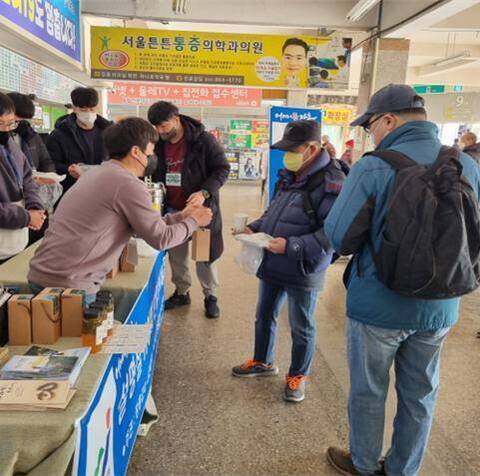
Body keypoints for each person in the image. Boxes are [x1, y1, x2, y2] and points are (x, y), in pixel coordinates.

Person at [324, 84, 480, 476]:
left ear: (389, 120)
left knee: (369, 390)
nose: (369, 133)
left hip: (378, 307)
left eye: (370, 125)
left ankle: (362, 463)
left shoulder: (374, 165)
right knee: (420, 394)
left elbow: (340, 236)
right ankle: (402, 469)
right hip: (441, 305)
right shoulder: (469, 166)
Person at [28, 117, 212, 302]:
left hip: (45, 274)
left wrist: (182, 216)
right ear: (135, 152)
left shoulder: (96, 173)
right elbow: (161, 239)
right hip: (69, 287)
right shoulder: (127, 184)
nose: (152, 159)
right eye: (150, 153)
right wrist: (195, 221)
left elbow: (148, 225)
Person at [231, 120, 345, 403]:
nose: (287, 155)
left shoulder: (333, 181)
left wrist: (293, 246)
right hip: (274, 258)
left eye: (292, 150)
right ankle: (262, 361)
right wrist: (255, 228)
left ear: (312, 148)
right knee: (264, 314)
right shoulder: (289, 175)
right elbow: (274, 213)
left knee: (301, 325)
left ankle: (298, 376)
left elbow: (333, 233)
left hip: (304, 265)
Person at [148, 101, 230, 319]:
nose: (160, 131)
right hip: (174, 208)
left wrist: (204, 192)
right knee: (177, 255)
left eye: (164, 126)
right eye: (156, 127)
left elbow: (222, 169)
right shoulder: (158, 142)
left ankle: (210, 295)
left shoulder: (202, 140)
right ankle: (182, 292)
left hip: (201, 211)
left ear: (176, 119)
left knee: (204, 255)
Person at [0, 93, 45, 262]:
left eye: (10, 123)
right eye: (0, 124)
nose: (6, 130)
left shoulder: (9, 143)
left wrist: (34, 205)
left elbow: (27, 178)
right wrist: (26, 217)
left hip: (15, 238)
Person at [8, 92, 58, 243]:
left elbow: (45, 159)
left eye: (23, 120)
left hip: (34, 198)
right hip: (13, 205)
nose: (20, 123)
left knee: (38, 242)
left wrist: (50, 175)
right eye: (17, 119)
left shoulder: (30, 135)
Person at [47, 87, 112, 194]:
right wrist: (68, 169)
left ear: (97, 107)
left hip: (103, 190)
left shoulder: (110, 132)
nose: (88, 113)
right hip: (71, 191)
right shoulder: (59, 134)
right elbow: (50, 162)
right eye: (83, 110)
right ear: (74, 108)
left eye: (92, 109)